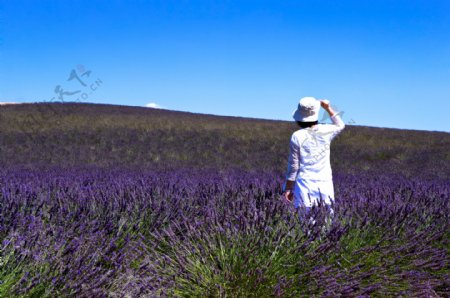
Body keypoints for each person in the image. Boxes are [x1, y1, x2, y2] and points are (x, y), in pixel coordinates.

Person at [282, 96, 345, 218]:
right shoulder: (326, 131)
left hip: (304, 183)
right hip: (325, 181)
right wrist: (327, 108)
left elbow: (294, 166)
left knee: (305, 223)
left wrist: (288, 188)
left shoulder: (297, 136)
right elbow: (340, 125)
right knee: (326, 222)